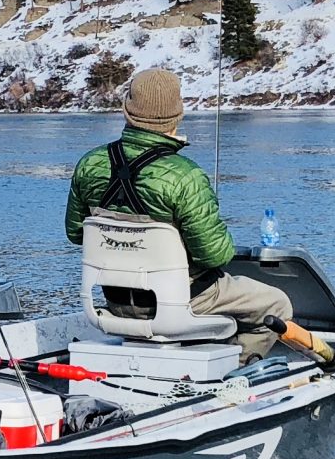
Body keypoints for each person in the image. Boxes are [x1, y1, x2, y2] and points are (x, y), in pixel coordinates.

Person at [65, 67, 315, 363]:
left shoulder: (89, 164)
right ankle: (234, 372)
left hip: (115, 304)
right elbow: (215, 256)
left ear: (126, 111)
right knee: (277, 305)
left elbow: (77, 232)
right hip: (183, 303)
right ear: (178, 115)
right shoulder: (187, 177)